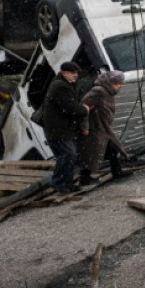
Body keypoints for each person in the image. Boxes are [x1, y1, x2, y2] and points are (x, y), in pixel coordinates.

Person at [41, 61, 91, 193]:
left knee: (69, 156)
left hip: (64, 129)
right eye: (73, 73)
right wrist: (85, 109)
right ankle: (58, 182)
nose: (76, 76)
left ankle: (67, 183)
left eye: (76, 73)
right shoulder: (60, 86)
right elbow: (71, 107)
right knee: (68, 154)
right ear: (64, 73)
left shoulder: (67, 84)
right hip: (58, 130)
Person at [77, 70, 130, 186]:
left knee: (112, 149)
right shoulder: (99, 91)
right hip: (96, 128)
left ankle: (117, 172)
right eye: (117, 84)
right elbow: (83, 107)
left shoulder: (109, 92)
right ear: (111, 83)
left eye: (120, 85)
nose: (119, 87)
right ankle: (85, 179)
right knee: (91, 153)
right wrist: (85, 127)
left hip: (104, 127)